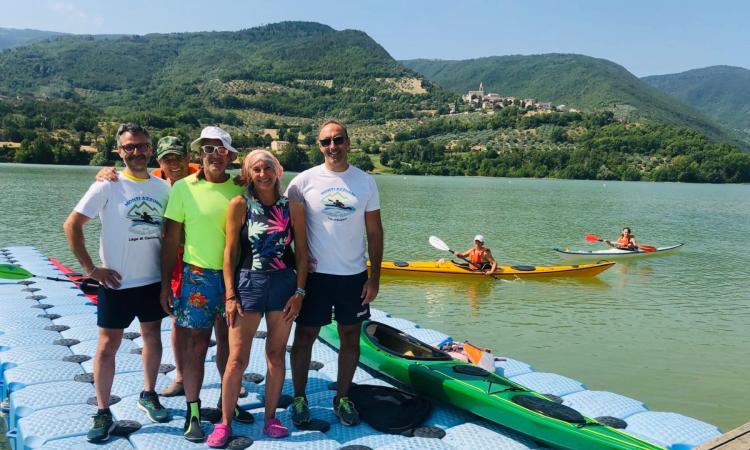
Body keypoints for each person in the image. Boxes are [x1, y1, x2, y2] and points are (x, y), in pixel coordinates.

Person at [63, 123, 171, 443]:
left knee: (152, 337)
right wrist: (90, 269)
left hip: (152, 281)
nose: (136, 152)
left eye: (141, 146)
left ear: (150, 150)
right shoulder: (107, 185)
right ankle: (102, 410)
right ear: (119, 151)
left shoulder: (163, 188)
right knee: (108, 346)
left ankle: (149, 394)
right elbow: (72, 225)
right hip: (116, 283)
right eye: (129, 147)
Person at [207, 150, 308, 446]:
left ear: (278, 171)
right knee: (237, 359)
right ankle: (225, 423)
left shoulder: (293, 206)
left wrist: (300, 292)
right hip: (249, 283)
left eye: (268, 168)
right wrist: (229, 295)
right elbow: (230, 253)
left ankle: (270, 419)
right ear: (248, 174)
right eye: (256, 169)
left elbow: (302, 252)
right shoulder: (239, 204)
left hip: (283, 285)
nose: (263, 174)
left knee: (276, 356)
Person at [286, 120, 383, 427]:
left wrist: (375, 276)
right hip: (315, 277)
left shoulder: (365, 182)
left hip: (353, 276)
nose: (333, 147)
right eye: (326, 141)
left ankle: (342, 397)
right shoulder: (302, 182)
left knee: (351, 337)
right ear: (319, 146)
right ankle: (300, 398)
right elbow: (285, 230)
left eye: (338, 140)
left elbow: (375, 232)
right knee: (304, 337)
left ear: (348, 142)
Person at [160, 126, 252, 442]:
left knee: (230, 344)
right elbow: (171, 238)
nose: (214, 154)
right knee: (196, 346)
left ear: (230, 155)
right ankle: (193, 411)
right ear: (200, 153)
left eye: (220, 149)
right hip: (197, 277)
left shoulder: (243, 188)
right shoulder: (183, 188)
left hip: (236, 279)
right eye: (208, 149)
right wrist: (164, 285)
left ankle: (228, 405)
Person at [94, 136, 200, 397]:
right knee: (178, 321)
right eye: (167, 159)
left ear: (189, 157)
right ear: (159, 160)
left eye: (178, 157)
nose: (173, 163)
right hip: (169, 261)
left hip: (203, 259)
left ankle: (229, 378)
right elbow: (130, 183)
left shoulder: (203, 177)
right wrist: (105, 173)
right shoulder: (156, 182)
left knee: (218, 320)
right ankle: (179, 376)